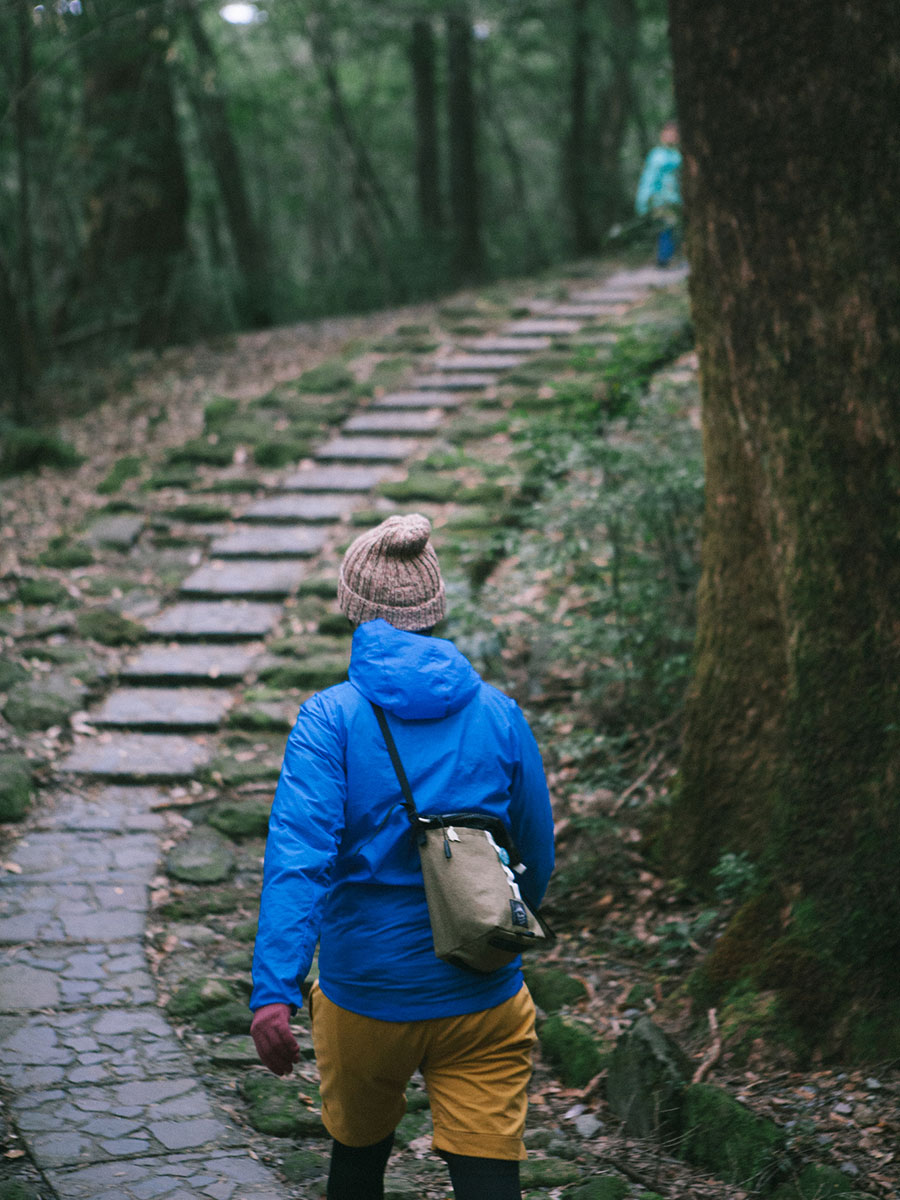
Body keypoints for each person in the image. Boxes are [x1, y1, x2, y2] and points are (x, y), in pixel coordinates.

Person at [249, 513, 555, 1200]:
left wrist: (275, 988)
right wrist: (491, 923)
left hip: (367, 997)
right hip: (484, 992)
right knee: (489, 1179)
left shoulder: (330, 719)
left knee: (357, 1164)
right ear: (435, 605)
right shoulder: (500, 713)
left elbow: (300, 860)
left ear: (352, 606)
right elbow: (536, 851)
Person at [635, 119, 683, 266]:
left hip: (677, 201)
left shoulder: (678, 155)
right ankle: (663, 260)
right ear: (663, 135)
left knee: (675, 228)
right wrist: (643, 201)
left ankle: (671, 259)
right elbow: (648, 179)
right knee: (666, 227)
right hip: (660, 201)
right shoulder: (656, 156)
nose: (672, 136)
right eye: (669, 133)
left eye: (675, 134)